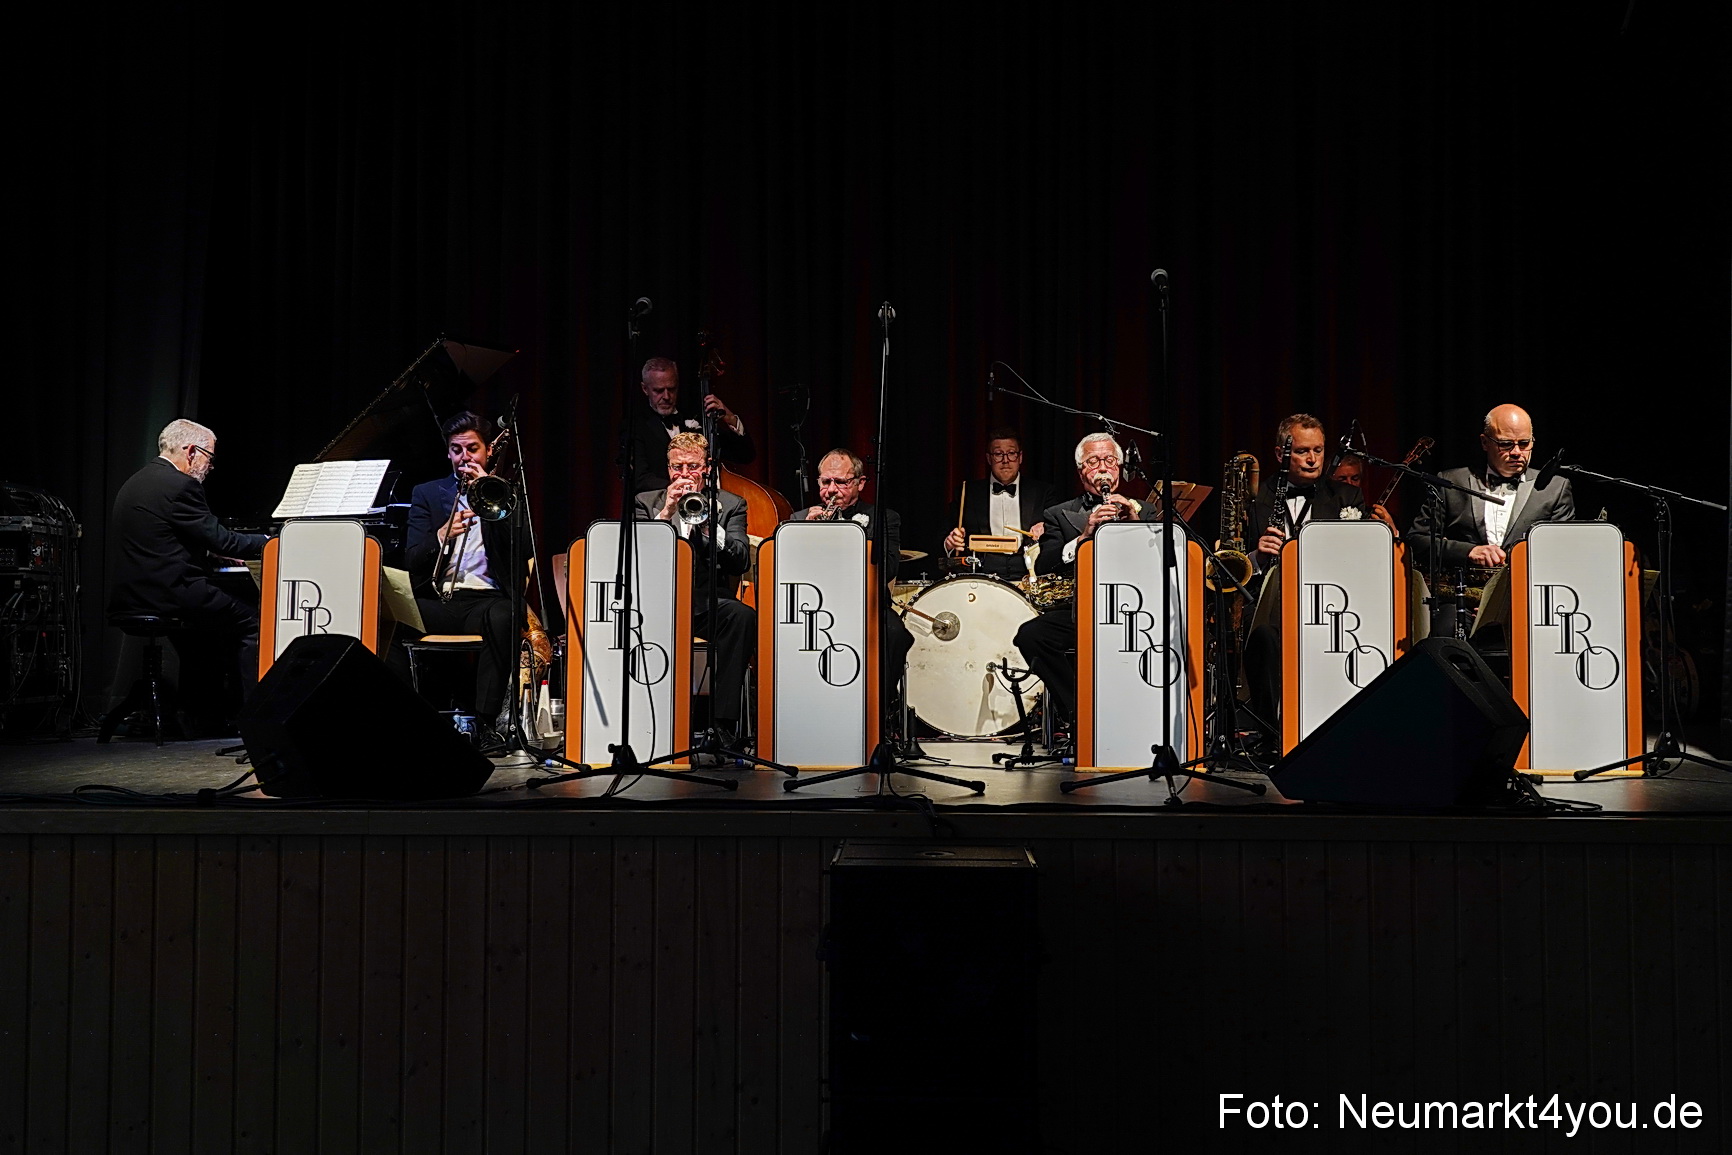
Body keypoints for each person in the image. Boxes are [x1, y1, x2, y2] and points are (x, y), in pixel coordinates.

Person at [109, 418, 270, 732]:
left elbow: (163, 538)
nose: (209, 467)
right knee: (255, 622)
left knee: (206, 635)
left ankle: (201, 714)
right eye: (209, 457)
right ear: (192, 451)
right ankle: (255, 720)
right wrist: (269, 542)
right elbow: (225, 539)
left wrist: (213, 552)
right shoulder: (181, 485)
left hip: (136, 591)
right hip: (171, 592)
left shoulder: (137, 481)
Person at [1012, 433, 1153, 735]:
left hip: (1138, 612)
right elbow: (1045, 562)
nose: (1102, 468)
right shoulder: (1058, 514)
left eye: (1109, 461)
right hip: (1084, 610)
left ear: (1119, 468)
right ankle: (1079, 712)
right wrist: (1085, 535)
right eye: (1093, 462)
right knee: (1031, 636)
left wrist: (1134, 525)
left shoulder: (1146, 510)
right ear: (1081, 472)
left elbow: (1162, 561)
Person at [403, 411, 522, 747]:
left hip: (485, 602)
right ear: (449, 453)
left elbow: (526, 547)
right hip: (441, 600)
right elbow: (412, 559)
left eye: (472, 448)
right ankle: (407, 718)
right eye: (457, 450)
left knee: (506, 615)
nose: (465, 457)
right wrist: (440, 536)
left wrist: (493, 496)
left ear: (487, 452)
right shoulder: (428, 493)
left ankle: (485, 724)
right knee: (388, 617)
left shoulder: (508, 492)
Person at [1243, 413, 1368, 726]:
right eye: (1302, 451)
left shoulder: (1346, 496)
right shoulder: (1254, 497)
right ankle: (1270, 731)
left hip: (1330, 601)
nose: (1313, 460)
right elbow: (1229, 563)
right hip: (1267, 602)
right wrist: (1257, 556)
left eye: (1318, 450)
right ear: (1280, 454)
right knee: (1263, 635)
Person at [634, 432, 756, 742]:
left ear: (707, 468)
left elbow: (740, 559)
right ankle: (643, 721)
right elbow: (638, 556)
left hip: (705, 601)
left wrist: (706, 526)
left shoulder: (731, 504)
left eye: (692, 467)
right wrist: (667, 515)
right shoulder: (647, 502)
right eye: (677, 468)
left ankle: (722, 725)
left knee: (741, 616)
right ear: (668, 467)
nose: (685, 475)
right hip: (657, 602)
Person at [788, 448, 912, 693]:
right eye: (826, 482)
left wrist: (846, 536)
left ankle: (879, 713)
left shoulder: (883, 518)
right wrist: (802, 531)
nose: (831, 490)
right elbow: (786, 571)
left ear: (860, 483)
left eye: (841, 482)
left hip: (867, 608)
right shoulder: (800, 518)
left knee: (896, 635)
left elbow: (887, 567)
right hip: (815, 610)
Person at [1405, 403, 1574, 569]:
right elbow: (1416, 540)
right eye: (1506, 444)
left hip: (1528, 592)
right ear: (1485, 442)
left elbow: (1564, 550)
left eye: (1524, 443)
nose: (1516, 452)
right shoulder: (1452, 482)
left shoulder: (1555, 488)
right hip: (1465, 593)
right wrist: (1469, 552)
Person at [941, 427, 1057, 579]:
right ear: (989, 458)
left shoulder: (1043, 492)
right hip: (981, 573)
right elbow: (945, 535)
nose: (1005, 460)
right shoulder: (967, 493)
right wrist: (950, 543)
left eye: (1011, 453)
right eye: (998, 454)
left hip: (1028, 571)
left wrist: (1045, 527)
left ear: (1020, 457)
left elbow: (1057, 534)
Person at [628, 356, 754, 495]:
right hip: (660, 507)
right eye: (658, 390)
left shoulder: (696, 418)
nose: (666, 396)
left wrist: (729, 417)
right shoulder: (635, 426)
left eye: (671, 389)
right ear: (645, 389)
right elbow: (639, 479)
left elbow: (745, 455)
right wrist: (685, 487)